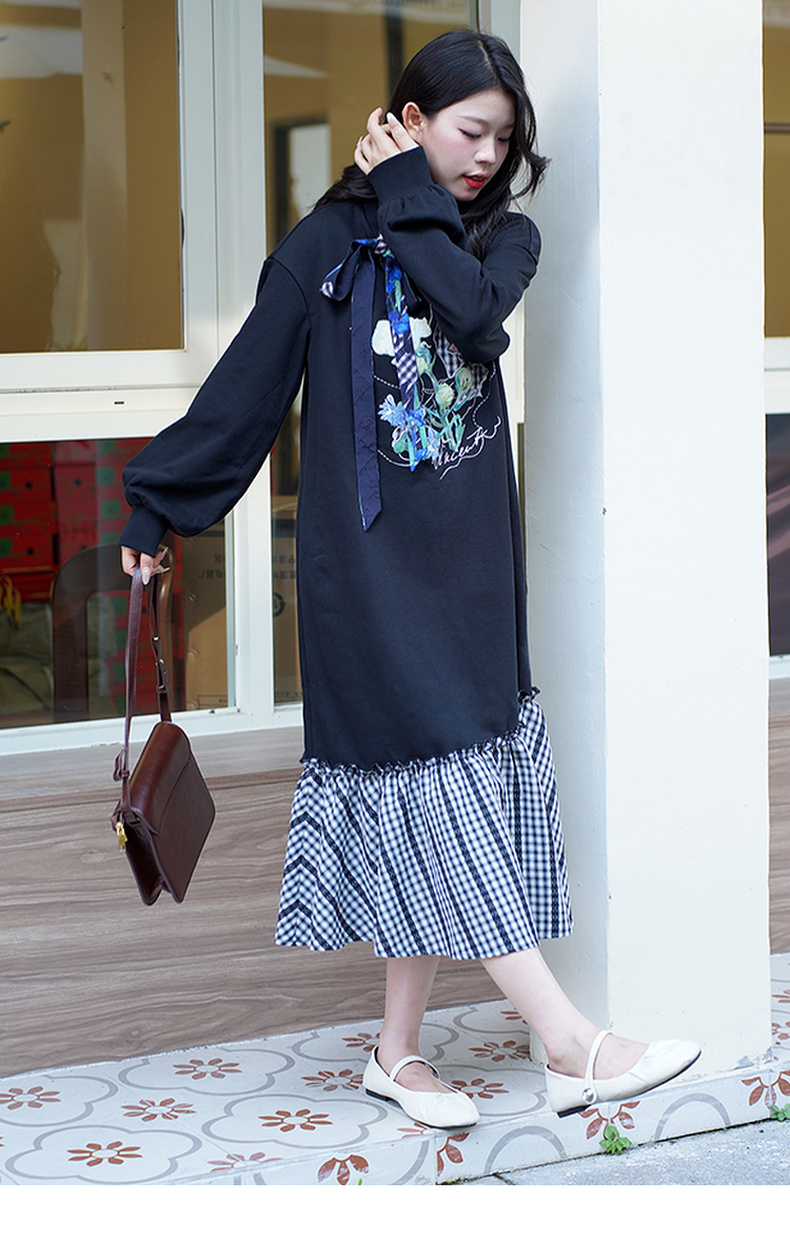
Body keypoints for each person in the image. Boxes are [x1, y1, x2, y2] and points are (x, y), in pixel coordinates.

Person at [119, 30, 700, 1128]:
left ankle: (395, 1051)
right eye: (469, 131)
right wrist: (159, 506)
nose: (486, 156)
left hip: (469, 577)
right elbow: (245, 389)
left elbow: (471, 316)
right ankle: (572, 1043)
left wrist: (406, 195)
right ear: (411, 117)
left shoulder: (504, 240)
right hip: (370, 581)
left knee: (440, 793)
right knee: (433, 796)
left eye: (503, 140)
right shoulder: (326, 245)